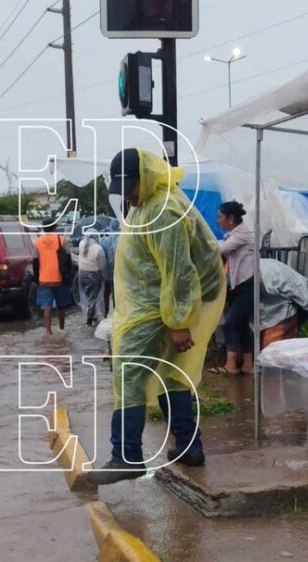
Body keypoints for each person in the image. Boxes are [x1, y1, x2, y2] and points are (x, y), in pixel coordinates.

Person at [87, 148, 226, 486]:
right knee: (169, 374)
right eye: (124, 189)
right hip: (152, 305)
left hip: (162, 306)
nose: (129, 195)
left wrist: (178, 323)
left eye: (132, 186)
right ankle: (189, 449)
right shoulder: (145, 206)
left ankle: (127, 456)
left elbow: (178, 271)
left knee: (129, 375)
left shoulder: (164, 212)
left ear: (146, 178)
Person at [215, 201, 256, 376]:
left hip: (246, 287)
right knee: (242, 326)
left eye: (220, 217)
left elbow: (220, 249)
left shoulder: (241, 236)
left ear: (231, 219)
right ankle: (248, 365)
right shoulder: (234, 234)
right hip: (240, 287)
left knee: (230, 324)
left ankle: (230, 365)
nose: (218, 221)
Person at [33, 223, 72, 335]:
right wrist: (68, 276)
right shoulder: (62, 239)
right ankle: (61, 329)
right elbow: (68, 259)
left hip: (44, 280)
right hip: (60, 278)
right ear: (54, 228)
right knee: (61, 306)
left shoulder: (37, 242)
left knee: (47, 307)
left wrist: (37, 279)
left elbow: (35, 262)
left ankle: (48, 332)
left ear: (44, 229)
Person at [78, 228, 107, 326]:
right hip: (94, 275)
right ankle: (89, 319)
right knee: (94, 298)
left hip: (82, 274)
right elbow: (103, 265)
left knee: (87, 297)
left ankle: (92, 316)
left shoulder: (81, 244)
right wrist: (105, 276)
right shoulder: (99, 249)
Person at [99, 225, 119, 314]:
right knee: (116, 292)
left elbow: (102, 256)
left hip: (107, 271)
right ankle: (116, 310)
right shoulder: (122, 239)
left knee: (106, 292)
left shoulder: (105, 241)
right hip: (119, 271)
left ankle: (106, 312)